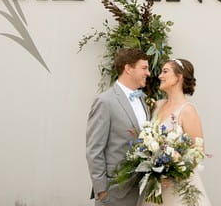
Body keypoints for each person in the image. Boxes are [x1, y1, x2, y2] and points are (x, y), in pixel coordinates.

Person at [140, 58, 212, 206]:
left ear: (179, 77)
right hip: (156, 187)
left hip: (180, 191)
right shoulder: (157, 105)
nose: (160, 76)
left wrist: (173, 172)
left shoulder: (187, 111)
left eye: (165, 71)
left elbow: (198, 152)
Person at [86, 48, 151, 205]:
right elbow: (94, 150)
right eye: (144, 68)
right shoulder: (105, 102)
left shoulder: (143, 100)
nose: (148, 73)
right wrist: (102, 191)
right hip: (114, 193)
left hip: (142, 191)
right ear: (128, 69)